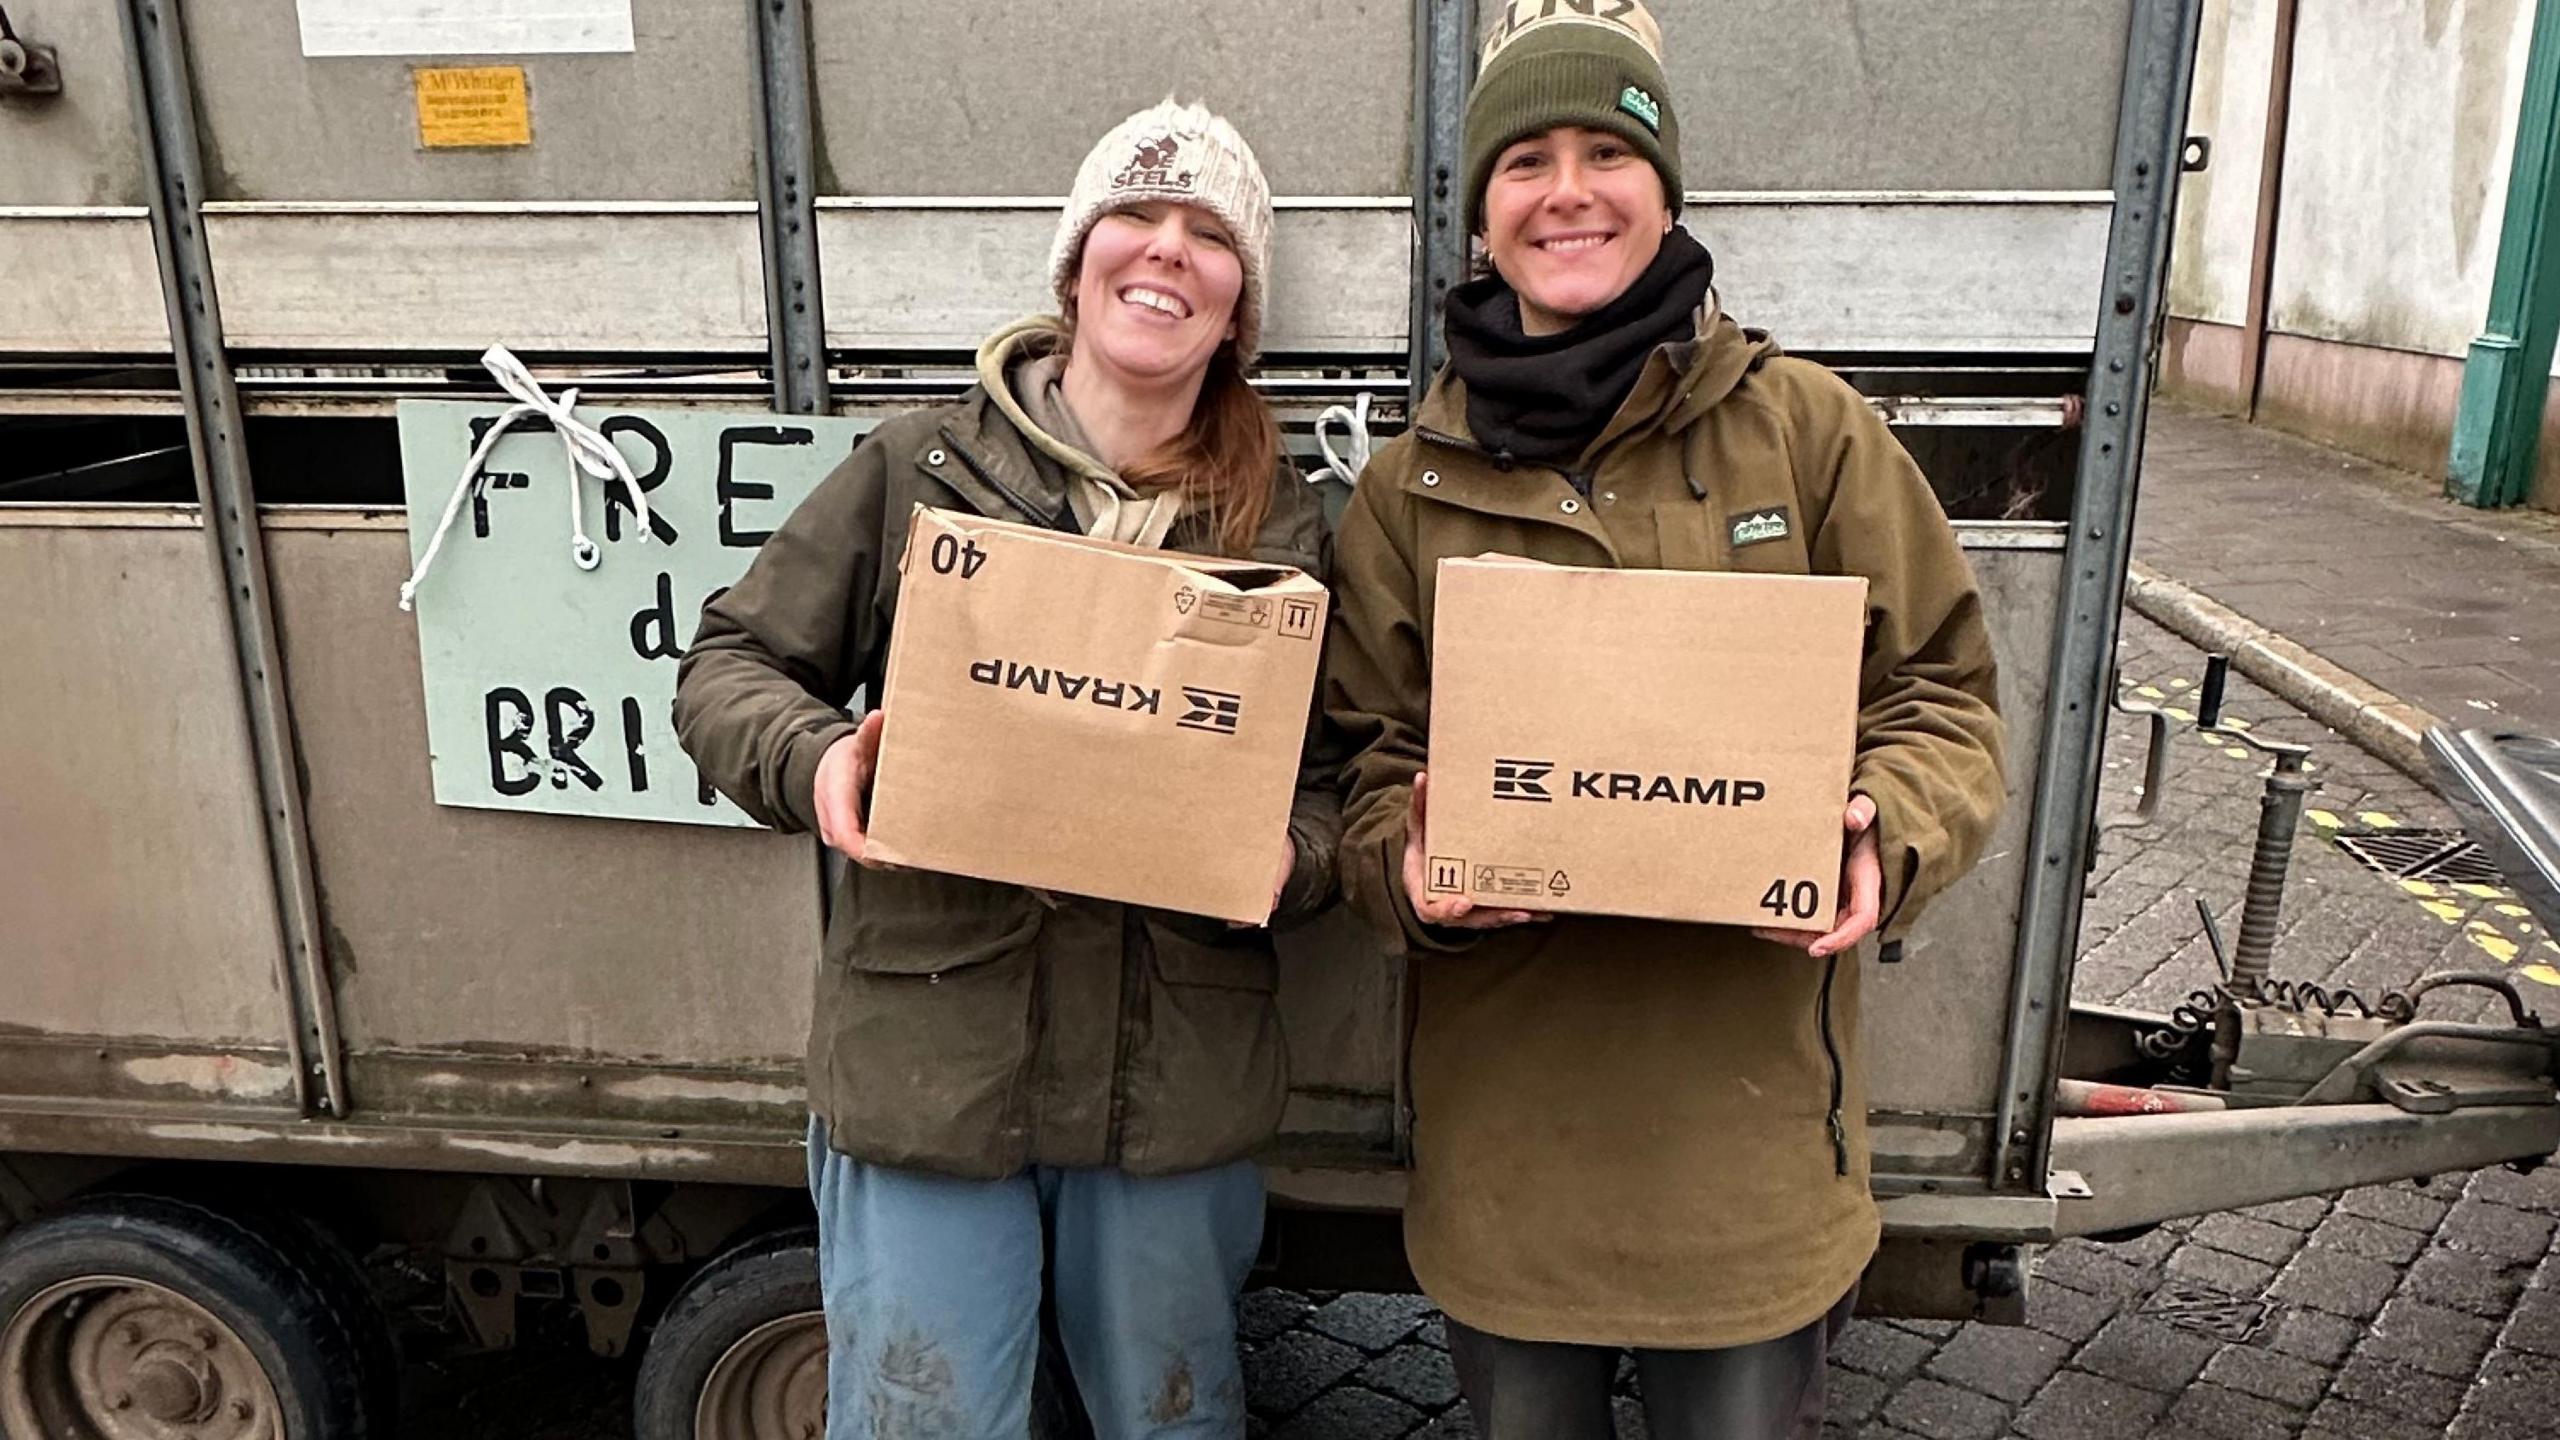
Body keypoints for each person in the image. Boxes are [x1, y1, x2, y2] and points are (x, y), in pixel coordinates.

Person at [1324, 5, 2007, 1437]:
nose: (1566, 189)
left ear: (1666, 189)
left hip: (1749, 1165)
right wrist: (1410, 861)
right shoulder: (1407, 487)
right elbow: (1360, 764)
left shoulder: (1808, 434)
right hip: (1513, 1167)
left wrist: (1889, 830)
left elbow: (1943, 697)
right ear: (1481, 216)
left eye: (1604, 151)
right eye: (1523, 161)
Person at [674, 99, 1338, 1439]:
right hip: (934, 1064)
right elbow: (728, 669)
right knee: (926, 1417)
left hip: (1172, 1084)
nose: (1167, 252)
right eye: (1135, 219)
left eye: (1210, 236)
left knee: (1174, 1416)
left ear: (1240, 306)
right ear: (1077, 261)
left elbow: (1340, 779)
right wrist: (818, 766)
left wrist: (1296, 857)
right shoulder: (918, 469)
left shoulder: (1286, 524)